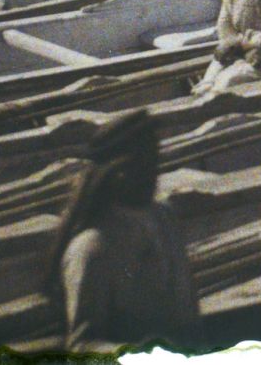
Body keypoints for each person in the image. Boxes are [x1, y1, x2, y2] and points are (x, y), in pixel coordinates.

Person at [44, 109, 198, 350]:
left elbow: (189, 309)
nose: (155, 173)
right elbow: (82, 346)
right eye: (145, 164)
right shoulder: (92, 247)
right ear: (117, 173)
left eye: (156, 161)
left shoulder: (164, 218)